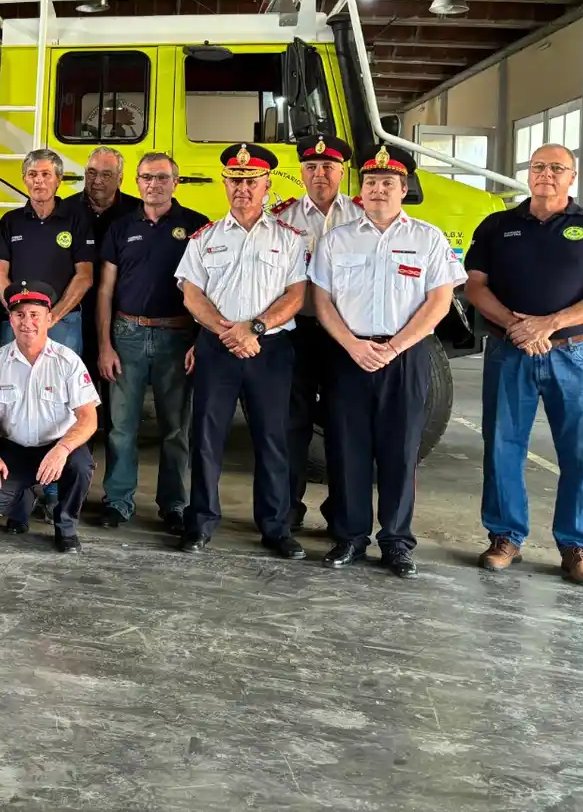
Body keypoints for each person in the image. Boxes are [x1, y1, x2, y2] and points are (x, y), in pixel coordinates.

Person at [465, 143, 583, 586]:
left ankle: (577, 547)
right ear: (528, 174)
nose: (546, 174)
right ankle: (505, 537)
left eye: (557, 168)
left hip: (576, 354)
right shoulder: (498, 226)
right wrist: (518, 327)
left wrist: (549, 325)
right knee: (502, 447)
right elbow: (475, 286)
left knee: (579, 452)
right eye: (539, 166)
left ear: (571, 177)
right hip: (509, 350)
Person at [310, 145, 465, 577]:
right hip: (349, 355)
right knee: (347, 449)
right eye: (371, 182)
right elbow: (321, 301)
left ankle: (396, 541)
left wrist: (395, 347)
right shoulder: (337, 239)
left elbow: (439, 302)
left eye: (388, 183)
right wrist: (352, 345)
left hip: (405, 357)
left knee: (401, 450)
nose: (378, 190)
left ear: (404, 189)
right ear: (362, 190)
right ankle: (351, 537)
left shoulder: (428, 238)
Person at [175, 143, 308, 559]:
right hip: (218, 348)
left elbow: (297, 293)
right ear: (224, 184)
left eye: (251, 181)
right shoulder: (205, 238)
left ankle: (274, 526)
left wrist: (255, 328)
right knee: (206, 439)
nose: (242, 189)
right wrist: (223, 330)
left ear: (267, 184)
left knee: (272, 438)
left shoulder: (288, 239)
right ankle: (200, 523)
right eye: (235, 180)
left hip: (269, 349)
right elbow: (191, 293)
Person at [95, 152, 209, 533]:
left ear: (176, 183)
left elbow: (209, 291)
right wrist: (105, 345)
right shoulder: (121, 227)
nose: (153, 185)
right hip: (126, 336)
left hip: (177, 337)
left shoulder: (196, 227)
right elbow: (105, 291)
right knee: (120, 427)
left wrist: (200, 340)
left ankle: (174, 504)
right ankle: (118, 501)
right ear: (136, 182)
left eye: (162, 178)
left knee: (176, 428)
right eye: (146, 178)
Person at [272, 133, 361, 531]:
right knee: (292, 421)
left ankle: (341, 514)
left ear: (342, 172)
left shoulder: (361, 215)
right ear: (301, 172)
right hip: (298, 331)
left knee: (344, 423)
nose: (319, 174)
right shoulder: (282, 218)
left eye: (328, 167)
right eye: (311, 167)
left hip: (345, 334)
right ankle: (288, 509)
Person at [0, 282, 99, 554]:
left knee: (80, 467)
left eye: (35, 315)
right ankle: (22, 503)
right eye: (19, 315)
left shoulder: (68, 361)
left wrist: (63, 449)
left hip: (58, 446)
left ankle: (65, 526)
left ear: (49, 319)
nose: (27, 323)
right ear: (11, 319)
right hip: (15, 448)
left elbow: (89, 418)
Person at [0, 148, 95, 356]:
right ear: (24, 180)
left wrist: (53, 316)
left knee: (62, 386)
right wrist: (18, 313)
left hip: (63, 321)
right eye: (32, 174)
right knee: (12, 384)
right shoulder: (10, 221)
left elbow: (85, 276)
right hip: (18, 322)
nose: (39, 180)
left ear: (58, 180)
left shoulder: (77, 220)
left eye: (46, 174)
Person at [70, 146, 138, 442]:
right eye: (91, 173)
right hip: (74, 310)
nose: (97, 180)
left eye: (106, 174)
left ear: (120, 178)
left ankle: (109, 437)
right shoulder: (66, 210)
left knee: (117, 387)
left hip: (122, 313)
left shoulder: (136, 213)